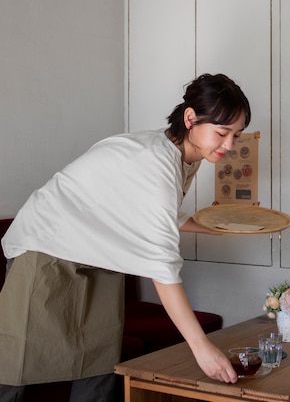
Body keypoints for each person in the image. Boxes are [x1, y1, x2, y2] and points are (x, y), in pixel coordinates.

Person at [0, 73, 251, 402]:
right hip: (46, 249)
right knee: (14, 369)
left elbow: (146, 210)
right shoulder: (155, 161)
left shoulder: (185, 155)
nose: (230, 145)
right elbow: (162, 265)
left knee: (99, 362)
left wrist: (211, 225)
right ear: (191, 118)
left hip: (97, 257)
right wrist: (201, 347)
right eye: (223, 132)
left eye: (237, 134)